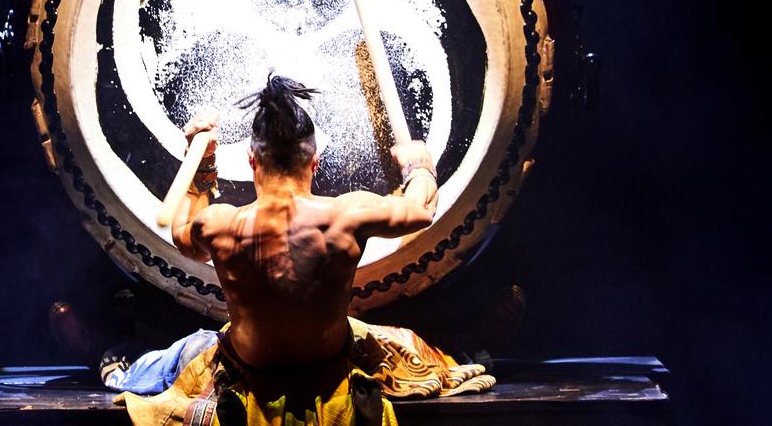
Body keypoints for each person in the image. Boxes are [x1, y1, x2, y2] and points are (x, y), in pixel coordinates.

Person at [108, 75, 494, 425]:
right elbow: (420, 209)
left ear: (251, 160)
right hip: (325, 366)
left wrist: (202, 166)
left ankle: (114, 363)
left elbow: (183, 237)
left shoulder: (222, 224)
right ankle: (479, 346)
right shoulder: (346, 216)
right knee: (412, 347)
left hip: (250, 366)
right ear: (315, 163)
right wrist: (418, 165)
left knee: (182, 353)